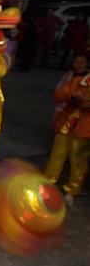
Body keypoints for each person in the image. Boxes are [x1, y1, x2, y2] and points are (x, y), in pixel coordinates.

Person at [44, 54, 90, 207]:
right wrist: (72, 94)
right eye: (76, 61)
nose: (78, 64)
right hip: (66, 122)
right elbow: (58, 96)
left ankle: (71, 191)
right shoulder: (72, 77)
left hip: (84, 126)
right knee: (56, 156)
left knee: (78, 160)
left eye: (81, 61)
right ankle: (48, 184)